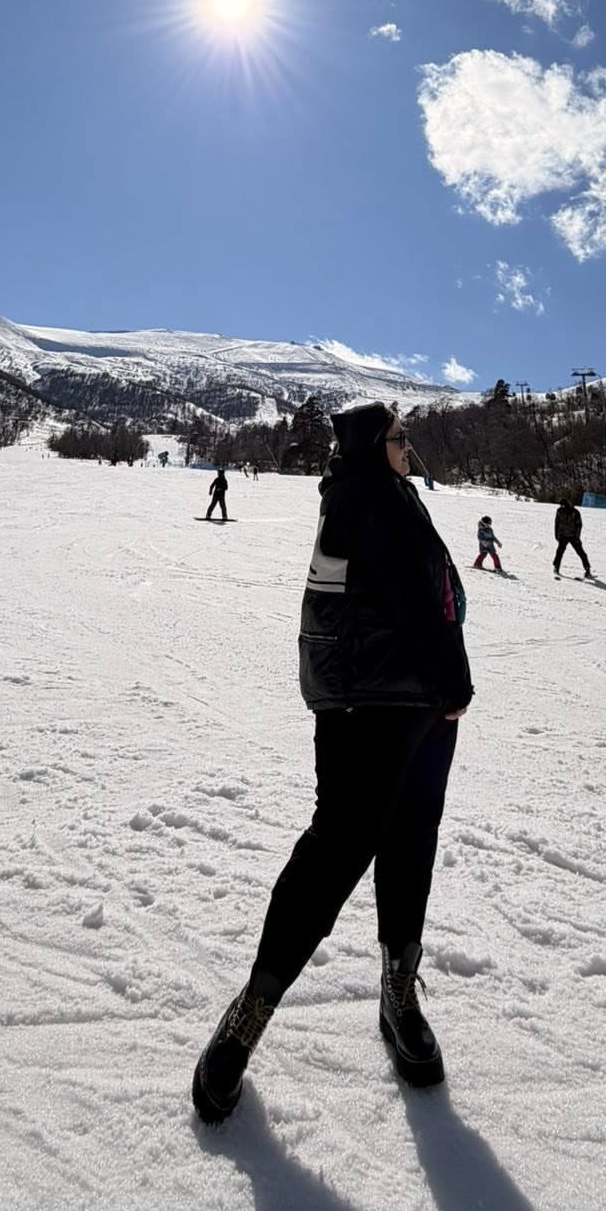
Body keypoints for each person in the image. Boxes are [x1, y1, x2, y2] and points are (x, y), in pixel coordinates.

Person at [192, 403, 473, 1124]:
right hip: (380, 708)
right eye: (399, 439)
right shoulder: (362, 499)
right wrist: (454, 683)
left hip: (416, 707)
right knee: (337, 850)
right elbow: (411, 609)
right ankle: (251, 1010)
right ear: (372, 448)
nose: (409, 448)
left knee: (411, 844)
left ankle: (397, 987)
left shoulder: (381, 494)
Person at [553, 495, 592, 578]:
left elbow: (579, 525)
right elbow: (557, 523)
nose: (562, 507)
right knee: (559, 552)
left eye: (563, 505)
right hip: (563, 535)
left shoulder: (575, 512)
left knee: (581, 553)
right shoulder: (559, 511)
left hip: (573, 536)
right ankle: (556, 567)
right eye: (561, 505)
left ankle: (587, 569)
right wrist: (556, 534)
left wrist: (577, 537)